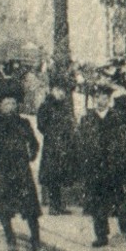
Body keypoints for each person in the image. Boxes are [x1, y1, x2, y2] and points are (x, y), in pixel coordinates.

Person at [0, 94, 44, 251]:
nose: (10, 106)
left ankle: (36, 242)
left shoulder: (24, 123)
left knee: (30, 208)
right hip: (3, 169)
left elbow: (34, 142)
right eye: (6, 103)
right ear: (0, 106)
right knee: (4, 207)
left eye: (13, 103)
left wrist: (32, 154)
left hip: (22, 169)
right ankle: (11, 239)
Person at [84, 87, 126, 247]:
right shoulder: (87, 119)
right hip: (96, 168)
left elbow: (125, 143)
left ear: (109, 100)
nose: (101, 101)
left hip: (115, 168)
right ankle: (101, 236)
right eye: (98, 97)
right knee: (98, 203)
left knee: (123, 203)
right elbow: (81, 143)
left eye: (104, 98)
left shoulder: (117, 117)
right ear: (94, 99)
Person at [35, 77, 81, 214]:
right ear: (52, 90)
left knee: (62, 174)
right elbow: (41, 125)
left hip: (65, 144)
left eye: (64, 91)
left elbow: (70, 122)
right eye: (59, 90)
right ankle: (53, 206)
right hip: (52, 146)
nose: (62, 93)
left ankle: (59, 204)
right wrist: (52, 134)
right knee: (52, 175)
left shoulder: (64, 106)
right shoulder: (46, 106)